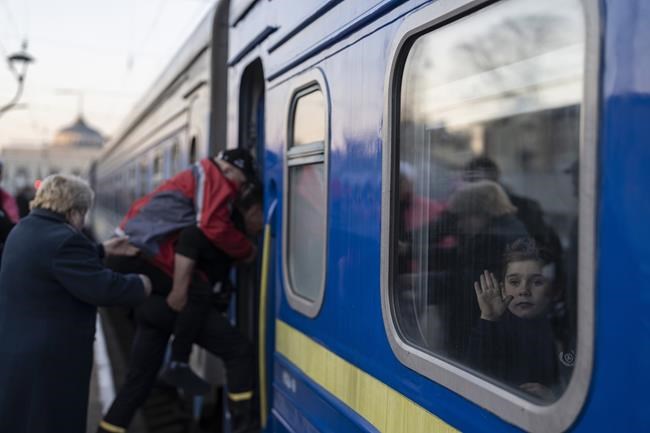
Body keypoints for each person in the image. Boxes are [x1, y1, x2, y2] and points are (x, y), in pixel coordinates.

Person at [0, 174, 152, 433]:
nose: (83, 224)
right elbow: (104, 288)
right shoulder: (65, 240)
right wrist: (140, 284)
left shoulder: (23, 229)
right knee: (53, 422)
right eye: (83, 215)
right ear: (73, 212)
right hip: (51, 362)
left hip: (19, 352)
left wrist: (102, 250)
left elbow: (51, 260)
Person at [115, 148, 258, 393]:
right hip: (135, 249)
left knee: (191, 290)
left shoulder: (202, 174)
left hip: (137, 246)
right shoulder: (211, 176)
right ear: (228, 169)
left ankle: (175, 363)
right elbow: (211, 224)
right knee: (196, 290)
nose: (238, 187)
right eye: (239, 180)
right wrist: (248, 251)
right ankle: (178, 363)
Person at [467, 237, 571, 401]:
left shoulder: (563, 332)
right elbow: (472, 377)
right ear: (502, 288)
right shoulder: (493, 327)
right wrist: (488, 318)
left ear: (555, 290)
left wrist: (554, 397)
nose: (524, 290)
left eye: (537, 282)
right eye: (514, 282)